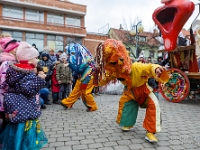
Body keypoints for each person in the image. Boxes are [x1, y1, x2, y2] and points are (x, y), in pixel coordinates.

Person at [94, 39, 169, 143]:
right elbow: (104, 79)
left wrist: (156, 69)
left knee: (154, 105)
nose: (119, 66)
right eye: (113, 63)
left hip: (144, 92)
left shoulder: (136, 67)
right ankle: (127, 123)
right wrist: (96, 79)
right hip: (130, 92)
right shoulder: (115, 72)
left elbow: (149, 67)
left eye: (119, 62)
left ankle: (151, 132)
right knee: (125, 104)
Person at [0, 41, 48, 149]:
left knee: (15, 133)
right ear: (29, 59)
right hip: (24, 109)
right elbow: (29, 89)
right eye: (36, 58)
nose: (38, 60)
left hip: (18, 108)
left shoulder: (15, 70)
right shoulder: (25, 72)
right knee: (23, 136)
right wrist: (39, 79)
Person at [59, 43, 98, 112]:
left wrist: (69, 64)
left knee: (85, 92)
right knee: (76, 90)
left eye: (72, 53)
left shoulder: (86, 58)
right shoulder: (80, 58)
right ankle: (67, 103)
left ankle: (92, 106)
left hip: (88, 77)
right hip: (82, 77)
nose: (70, 56)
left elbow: (79, 69)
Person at [0, 37, 20, 132]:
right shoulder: (7, 63)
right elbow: (4, 82)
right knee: (7, 120)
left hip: (9, 96)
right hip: (6, 96)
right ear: (9, 49)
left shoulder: (12, 61)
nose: (17, 50)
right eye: (15, 48)